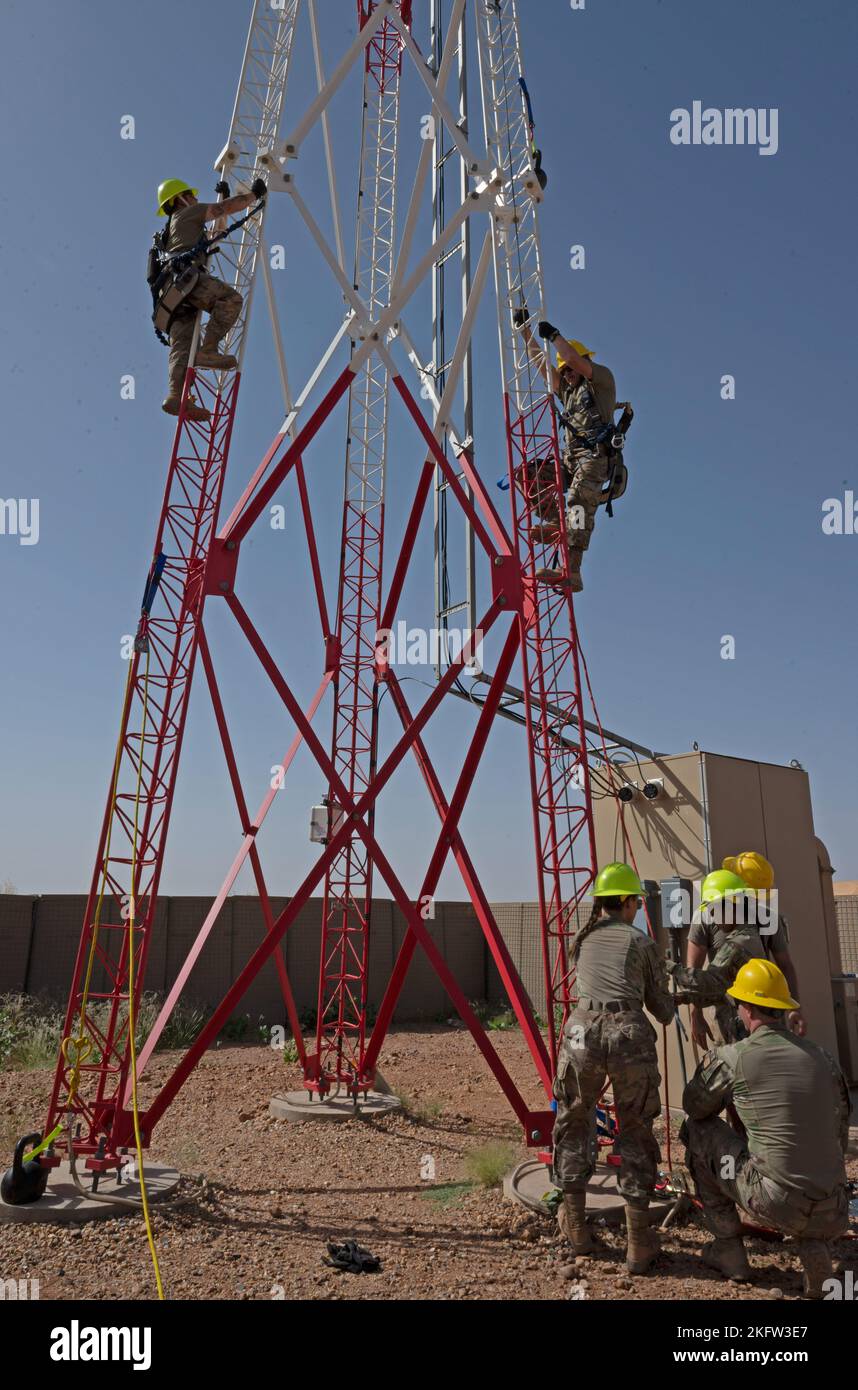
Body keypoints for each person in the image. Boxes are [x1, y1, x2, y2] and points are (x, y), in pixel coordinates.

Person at [681, 958, 850, 1296]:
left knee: (697, 1131)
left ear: (745, 1009)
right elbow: (839, 1130)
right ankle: (813, 1243)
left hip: (776, 1201)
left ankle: (729, 1250)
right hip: (834, 1204)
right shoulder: (823, 1057)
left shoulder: (734, 1057)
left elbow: (694, 1105)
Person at [553, 862, 675, 1273]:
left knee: (573, 1120)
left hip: (580, 1030)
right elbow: (661, 1007)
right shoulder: (639, 942)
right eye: (637, 902)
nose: (639, 908)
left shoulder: (581, 938)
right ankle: (639, 1245)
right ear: (624, 902)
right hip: (627, 1031)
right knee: (635, 1128)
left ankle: (577, 1232)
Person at [513, 310, 618, 591]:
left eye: (572, 369)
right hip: (571, 460)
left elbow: (570, 358)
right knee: (527, 475)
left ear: (585, 362)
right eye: (565, 372)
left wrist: (553, 335)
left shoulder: (601, 381)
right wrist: (525, 332)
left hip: (596, 458)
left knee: (578, 502)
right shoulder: (568, 391)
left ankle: (571, 571)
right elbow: (540, 364)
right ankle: (553, 520)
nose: (568, 374)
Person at [154, 178, 256, 421]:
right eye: (192, 195)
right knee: (230, 300)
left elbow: (216, 233)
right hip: (187, 280)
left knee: (183, 345)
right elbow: (225, 210)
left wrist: (222, 197)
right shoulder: (189, 212)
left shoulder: (168, 232)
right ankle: (208, 350)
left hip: (170, 297)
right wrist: (253, 196)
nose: (196, 199)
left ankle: (176, 396)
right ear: (180, 199)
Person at [686, 852, 805, 1048]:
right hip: (726, 1015)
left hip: (764, 1011)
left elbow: (786, 966)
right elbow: (693, 974)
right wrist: (695, 1014)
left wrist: (795, 1009)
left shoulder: (767, 918)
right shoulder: (705, 918)